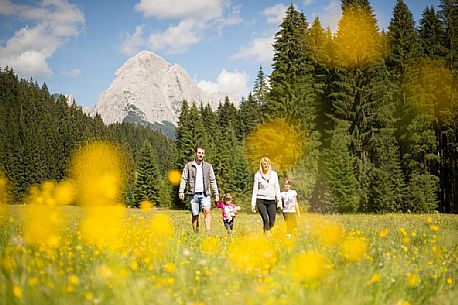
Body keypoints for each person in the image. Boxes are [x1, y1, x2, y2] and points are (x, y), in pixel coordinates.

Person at [179, 146, 219, 233]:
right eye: (199, 153)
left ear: (204, 155)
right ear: (195, 154)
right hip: (193, 195)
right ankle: (196, 234)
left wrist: (216, 194)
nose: (201, 155)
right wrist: (181, 191)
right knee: (195, 215)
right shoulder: (189, 166)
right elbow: (183, 178)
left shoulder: (208, 166)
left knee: (207, 211)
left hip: (205, 194)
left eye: (202, 153)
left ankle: (208, 232)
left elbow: (213, 180)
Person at [251, 157, 281, 234]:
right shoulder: (258, 175)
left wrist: (279, 201)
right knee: (265, 219)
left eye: (267, 164)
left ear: (269, 165)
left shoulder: (274, 174)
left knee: (272, 220)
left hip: (271, 200)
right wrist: (253, 204)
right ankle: (266, 237)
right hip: (261, 200)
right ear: (261, 165)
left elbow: (277, 188)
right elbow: (255, 190)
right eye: (264, 164)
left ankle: (268, 231)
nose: (266, 165)